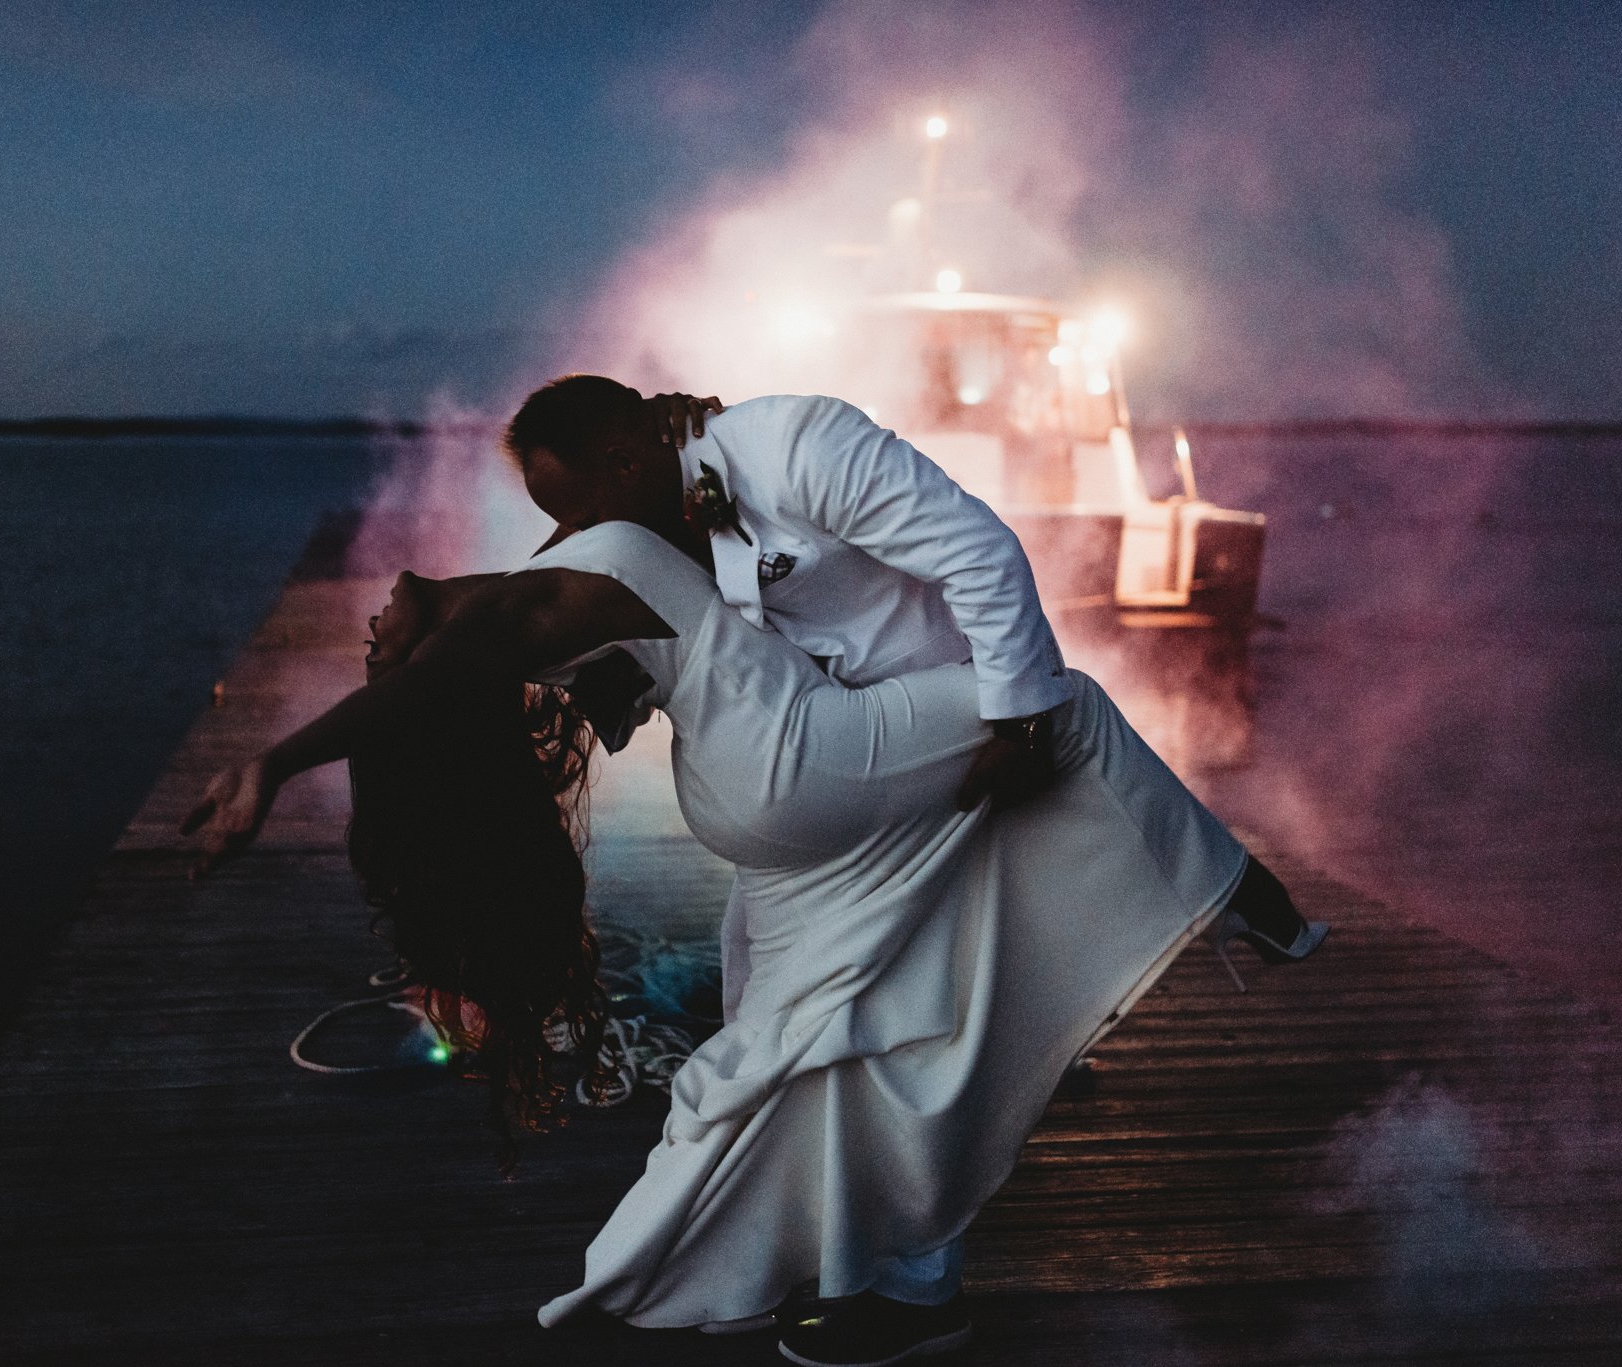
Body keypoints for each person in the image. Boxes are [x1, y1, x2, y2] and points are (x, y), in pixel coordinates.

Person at [184, 382, 1325, 1366]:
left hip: (806, 787)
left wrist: (301, 754)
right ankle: (1225, 883)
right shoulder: (616, 544)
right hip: (817, 771)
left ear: (628, 458)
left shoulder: (791, 450)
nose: (562, 529)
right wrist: (292, 745)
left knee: (810, 1029)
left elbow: (978, 552)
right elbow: (486, 645)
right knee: (1065, 709)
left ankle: (846, 1280)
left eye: (569, 502)